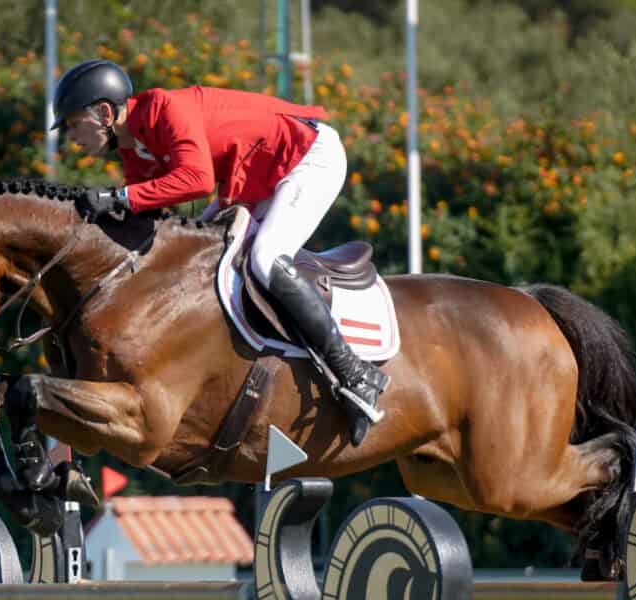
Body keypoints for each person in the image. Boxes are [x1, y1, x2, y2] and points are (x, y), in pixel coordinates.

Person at [52, 59, 389, 437]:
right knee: (205, 248)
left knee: (265, 258)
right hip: (258, 172)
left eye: (72, 123)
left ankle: (355, 373)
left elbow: (196, 181)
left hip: (306, 157)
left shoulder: (165, 110)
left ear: (103, 112)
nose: (70, 136)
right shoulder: (134, 150)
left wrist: (120, 197)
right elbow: (149, 216)